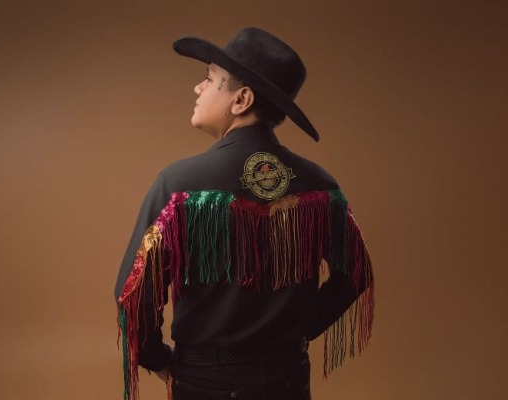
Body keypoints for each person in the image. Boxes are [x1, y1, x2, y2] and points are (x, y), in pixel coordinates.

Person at [114, 27, 374, 400]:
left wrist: (158, 360)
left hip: (203, 383)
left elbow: (133, 295)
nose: (198, 88)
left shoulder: (179, 184)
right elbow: (356, 273)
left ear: (242, 99)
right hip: (288, 380)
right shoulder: (320, 186)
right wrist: (299, 329)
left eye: (209, 79)